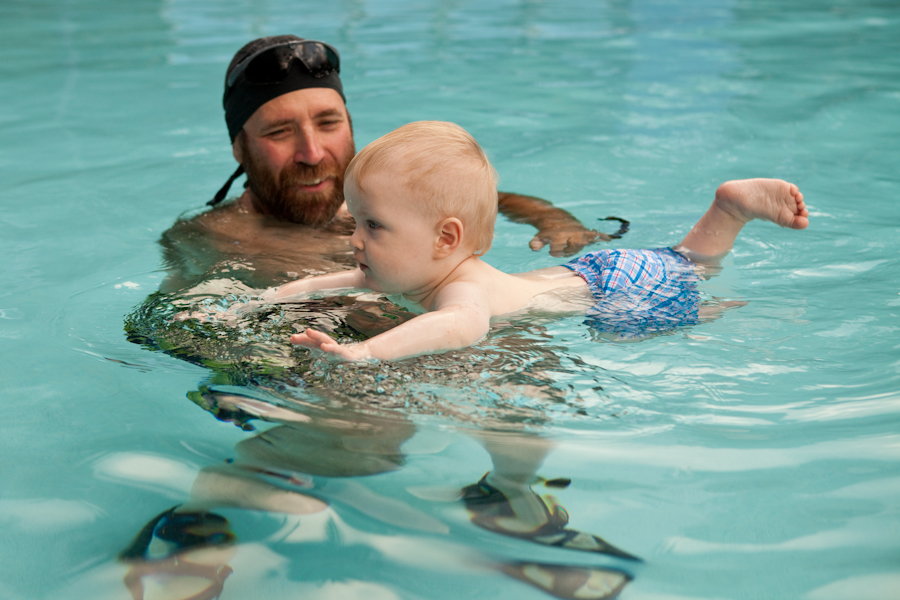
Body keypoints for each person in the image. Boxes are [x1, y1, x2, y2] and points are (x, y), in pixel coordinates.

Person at [266, 121, 809, 362]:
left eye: (372, 225)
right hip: (594, 272)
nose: (355, 240)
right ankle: (727, 213)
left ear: (444, 238)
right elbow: (329, 281)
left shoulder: (463, 295)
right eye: (357, 222)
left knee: (693, 279)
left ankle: (729, 213)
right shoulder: (408, 267)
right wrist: (264, 301)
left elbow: (461, 327)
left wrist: (366, 351)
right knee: (689, 263)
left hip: (617, 289)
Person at [159, 35, 616, 294]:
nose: (312, 152)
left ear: (351, 124)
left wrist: (550, 218)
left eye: (328, 122)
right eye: (279, 132)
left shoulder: (384, 193)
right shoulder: (209, 239)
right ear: (239, 148)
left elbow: (486, 198)